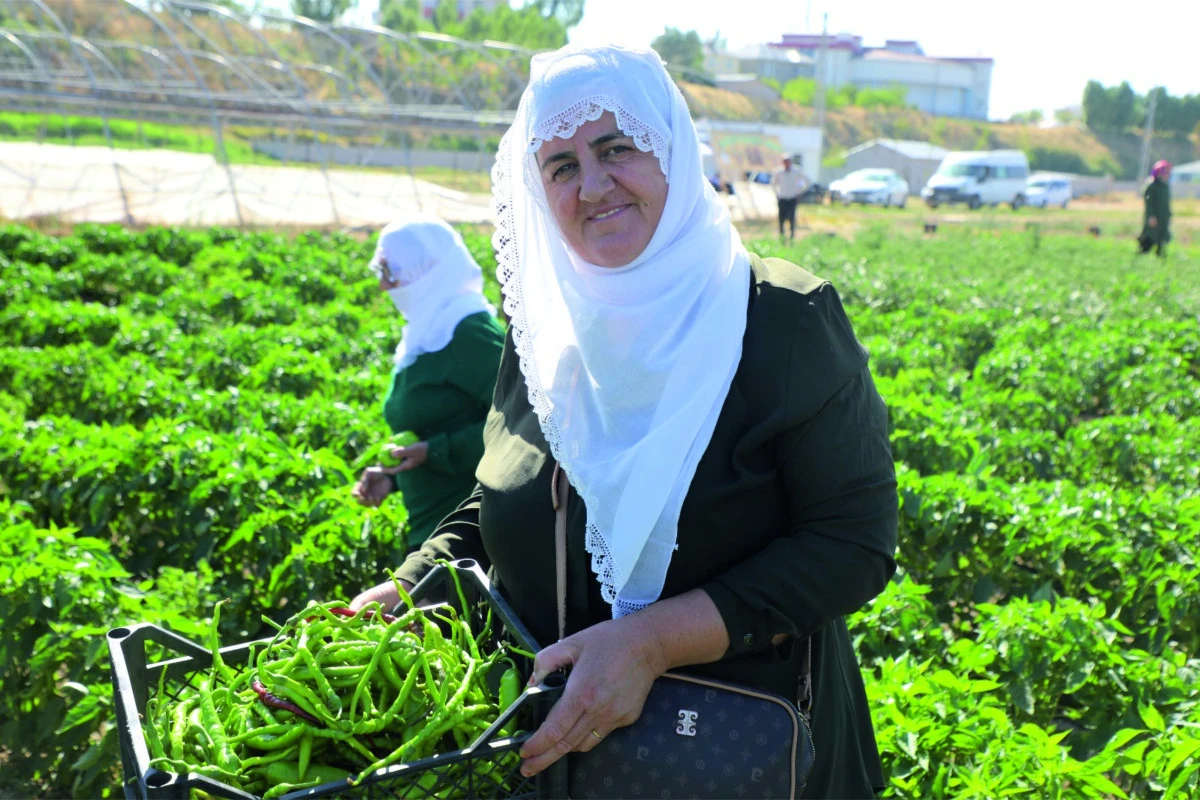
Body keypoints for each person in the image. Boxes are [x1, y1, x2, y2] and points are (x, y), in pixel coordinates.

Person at [351, 45, 897, 799]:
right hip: (558, 749)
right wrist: (413, 587)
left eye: (616, 149)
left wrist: (649, 642)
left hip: (739, 754)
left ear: (671, 148)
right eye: (562, 166)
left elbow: (852, 544)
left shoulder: (782, 321)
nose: (593, 186)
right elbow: (504, 493)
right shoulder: (543, 329)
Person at [350, 214, 504, 549]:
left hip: (472, 533)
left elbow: (522, 427)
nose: (382, 285)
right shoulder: (425, 332)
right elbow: (441, 422)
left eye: (390, 272)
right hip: (431, 526)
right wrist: (393, 478)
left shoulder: (469, 333)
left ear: (427, 269)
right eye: (381, 272)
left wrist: (435, 451)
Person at [1138, 160, 1172, 257]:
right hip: (1154, 217)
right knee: (1150, 236)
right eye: (1165, 172)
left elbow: (1166, 204)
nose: (1167, 174)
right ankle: (1141, 256)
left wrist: (1169, 215)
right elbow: (1149, 202)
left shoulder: (1165, 186)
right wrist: (1151, 216)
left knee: (1162, 238)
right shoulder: (1151, 185)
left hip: (1163, 217)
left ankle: (1161, 258)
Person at [773, 155, 808, 242]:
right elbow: (773, 184)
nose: (786, 164)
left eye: (788, 161)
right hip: (783, 199)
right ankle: (782, 238)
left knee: (792, 219)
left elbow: (807, 181)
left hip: (792, 199)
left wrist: (800, 192)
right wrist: (777, 194)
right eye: (785, 162)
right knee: (781, 219)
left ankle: (792, 237)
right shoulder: (779, 172)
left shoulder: (796, 171)